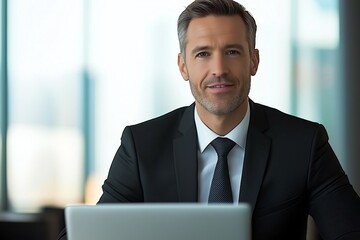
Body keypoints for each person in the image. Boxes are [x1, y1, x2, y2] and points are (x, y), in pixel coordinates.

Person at [58, 0, 360, 239]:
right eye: (203, 54)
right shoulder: (141, 147)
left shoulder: (304, 144)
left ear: (253, 61)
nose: (218, 69)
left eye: (232, 52)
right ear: (183, 66)